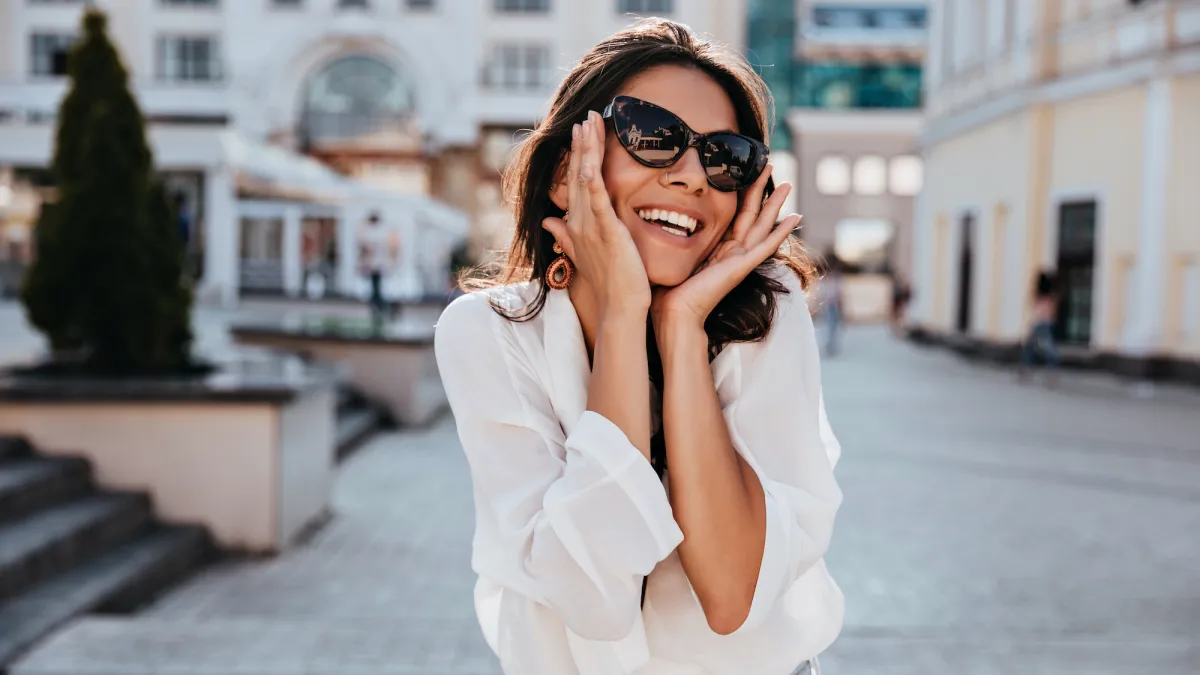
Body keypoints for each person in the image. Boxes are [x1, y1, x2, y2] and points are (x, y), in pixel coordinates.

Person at [434, 19, 842, 675]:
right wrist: (625, 311)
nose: (691, 176)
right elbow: (594, 599)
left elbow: (733, 593)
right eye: (653, 136)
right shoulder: (489, 333)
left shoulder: (767, 312)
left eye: (725, 157)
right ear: (567, 171)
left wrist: (681, 329)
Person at [1018, 269, 1061, 385]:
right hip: (1046, 324)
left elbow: (1033, 306)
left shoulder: (1038, 295)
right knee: (1047, 349)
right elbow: (1053, 312)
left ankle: (1026, 371)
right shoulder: (1052, 296)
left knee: (1031, 349)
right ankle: (1051, 374)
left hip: (1038, 324)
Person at [356, 211, 388, 318]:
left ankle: (377, 305)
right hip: (375, 264)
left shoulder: (372, 232)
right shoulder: (378, 232)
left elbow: (366, 246)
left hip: (374, 264)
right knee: (376, 286)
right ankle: (377, 305)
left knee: (375, 286)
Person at [818, 258, 845, 357]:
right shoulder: (827, 280)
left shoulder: (835, 280)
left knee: (832, 325)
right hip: (829, 305)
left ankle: (831, 344)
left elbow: (839, 294)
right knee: (829, 325)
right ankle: (829, 344)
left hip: (832, 305)